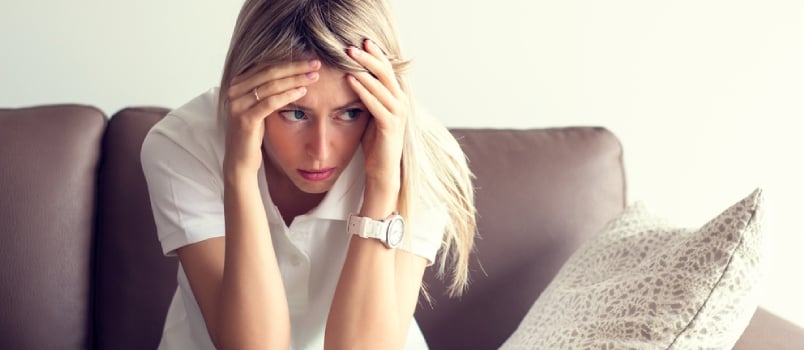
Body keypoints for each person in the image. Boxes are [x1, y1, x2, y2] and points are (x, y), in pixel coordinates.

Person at [141, 0, 476, 349]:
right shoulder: (183, 144)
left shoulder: (425, 157)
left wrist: (382, 183)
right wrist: (239, 173)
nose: (321, 150)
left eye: (349, 114)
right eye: (295, 113)